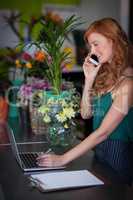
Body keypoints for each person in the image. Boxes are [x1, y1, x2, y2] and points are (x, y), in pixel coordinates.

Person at [37, 18, 133, 184]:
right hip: (98, 150)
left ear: (114, 41)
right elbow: (86, 114)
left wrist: (62, 159)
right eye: (90, 46)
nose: (92, 51)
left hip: (119, 155)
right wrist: (89, 79)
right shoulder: (105, 75)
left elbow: (104, 132)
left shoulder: (128, 83)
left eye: (96, 44)